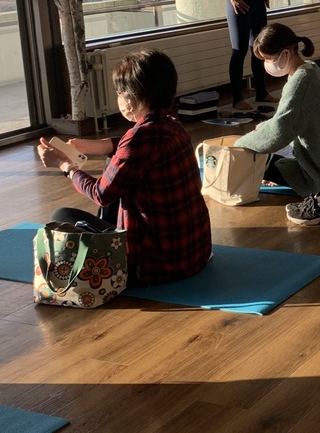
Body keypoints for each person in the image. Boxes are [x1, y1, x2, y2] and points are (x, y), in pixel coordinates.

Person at [35, 49, 212, 286]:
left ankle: (114, 247)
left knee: (61, 216)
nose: (118, 97)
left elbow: (100, 194)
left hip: (152, 266)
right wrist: (94, 146)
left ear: (132, 96)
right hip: (193, 255)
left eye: (119, 92)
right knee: (113, 162)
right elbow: (134, 150)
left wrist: (65, 165)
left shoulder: (139, 138)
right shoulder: (173, 125)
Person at [234, 22, 320, 226]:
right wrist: (262, 128)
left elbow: (278, 134)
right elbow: (286, 118)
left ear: (286, 53)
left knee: (253, 157)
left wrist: (240, 143)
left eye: (267, 58)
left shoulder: (300, 82)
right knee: (265, 151)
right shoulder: (310, 68)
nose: (266, 64)